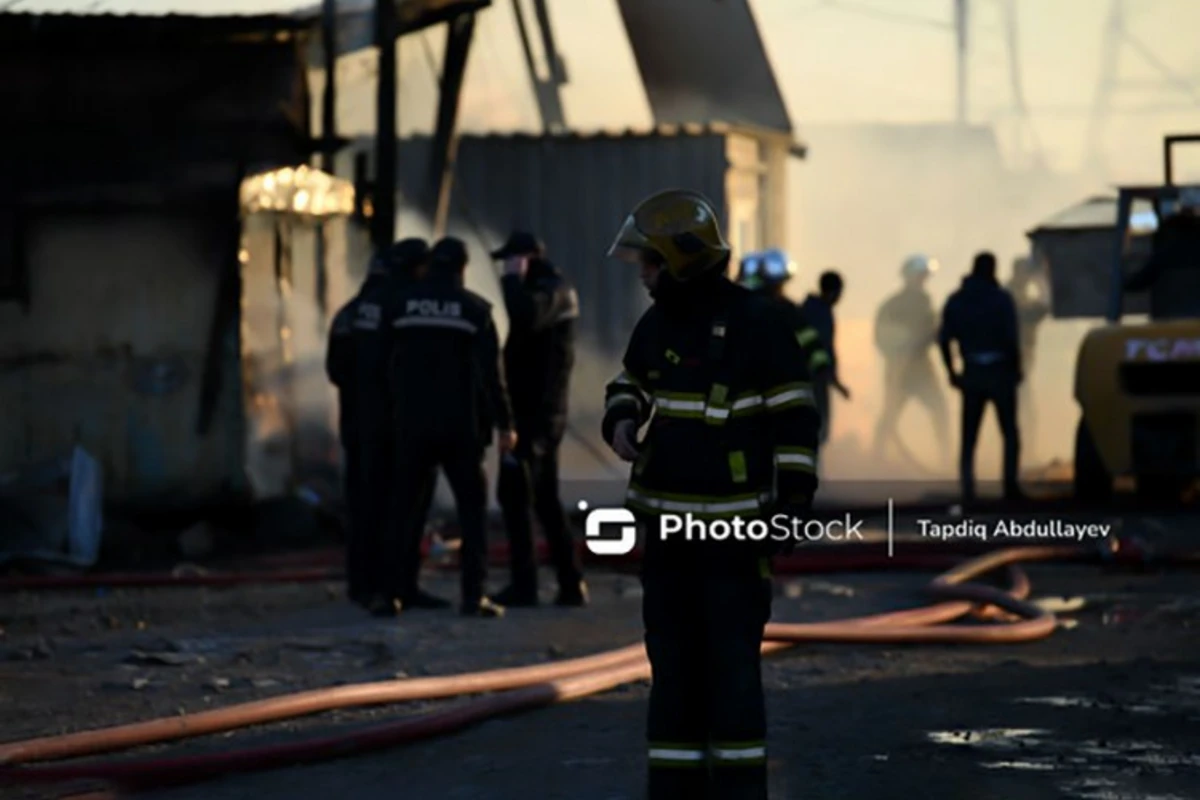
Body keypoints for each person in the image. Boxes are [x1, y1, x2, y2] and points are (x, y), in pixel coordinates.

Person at [602, 189, 821, 799]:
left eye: (649, 262)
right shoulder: (659, 322)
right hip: (669, 540)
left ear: (681, 258)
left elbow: (796, 423)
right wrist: (621, 417)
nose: (642, 275)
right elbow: (630, 380)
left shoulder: (761, 325)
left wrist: (792, 508)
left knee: (731, 678)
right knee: (672, 676)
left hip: (733, 539)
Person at [385, 237, 517, 618]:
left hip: (411, 425)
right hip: (462, 428)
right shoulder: (475, 310)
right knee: (472, 515)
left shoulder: (401, 305)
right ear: (462, 268)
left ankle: (393, 593)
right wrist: (506, 424)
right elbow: (493, 377)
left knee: (404, 509)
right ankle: (473, 596)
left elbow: (383, 365)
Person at [326, 239, 439, 611]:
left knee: (362, 508)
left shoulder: (348, 313)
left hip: (357, 428)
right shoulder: (405, 310)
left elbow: (336, 371)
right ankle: (398, 587)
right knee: (401, 510)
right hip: (396, 428)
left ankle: (363, 585)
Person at [490, 230, 587, 608]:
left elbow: (523, 315)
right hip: (533, 413)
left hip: (538, 416)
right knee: (544, 498)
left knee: (516, 494)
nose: (505, 270)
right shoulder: (547, 289)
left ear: (526, 259)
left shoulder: (554, 291)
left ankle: (526, 585)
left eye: (510, 262)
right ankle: (569, 581)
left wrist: (513, 277)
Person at [939, 251, 1023, 503]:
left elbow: (944, 340)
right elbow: (1011, 338)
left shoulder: (956, 301)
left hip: (972, 373)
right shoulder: (1002, 299)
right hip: (1000, 372)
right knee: (1009, 432)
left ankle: (968, 489)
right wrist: (1016, 368)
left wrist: (951, 372)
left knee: (969, 436)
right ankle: (1010, 486)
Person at [871, 254, 951, 470]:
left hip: (920, 369)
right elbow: (881, 337)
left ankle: (946, 458)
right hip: (902, 369)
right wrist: (901, 352)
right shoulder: (894, 306)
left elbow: (932, 332)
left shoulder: (923, 301)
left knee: (939, 410)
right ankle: (876, 457)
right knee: (890, 414)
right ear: (910, 277)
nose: (924, 280)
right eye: (921, 275)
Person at [735, 248, 836, 386]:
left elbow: (808, 339)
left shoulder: (740, 306)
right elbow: (808, 340)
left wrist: (822, 367)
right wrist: (822, 368)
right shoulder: (784, 309)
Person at [798, 271, 850, 444]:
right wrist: (832, 379)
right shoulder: (819, 313)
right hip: (813, 379)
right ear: (834, 292)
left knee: (817, 428)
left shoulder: (813, 309)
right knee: (818, 428)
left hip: (814, 378)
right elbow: (821, 349)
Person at [1006, 256, 1050, 458]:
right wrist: (1044, 285)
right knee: (1025, 413)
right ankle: (1025, 456)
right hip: (1014, 362)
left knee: (1019, 412)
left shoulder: (1017, 293)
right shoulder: (1011, 295)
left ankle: (1023, 454)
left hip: (1019, 361)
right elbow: (1035, 312)